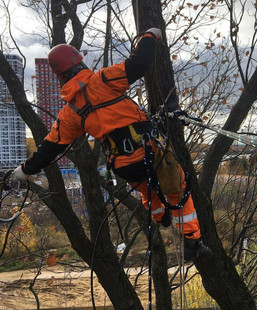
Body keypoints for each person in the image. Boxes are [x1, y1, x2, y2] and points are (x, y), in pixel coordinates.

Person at [11, 28, 210, 261]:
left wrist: (24, 170)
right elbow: (138, 64)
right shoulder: (103, 80)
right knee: (178, 189)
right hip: (147, 151)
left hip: (124, 164)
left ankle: (160, 217)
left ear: (61, 76)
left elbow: (49, 149)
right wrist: (150, 36)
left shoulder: (71, 112)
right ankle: (193, 243)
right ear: (79, 63)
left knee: (147, 189)